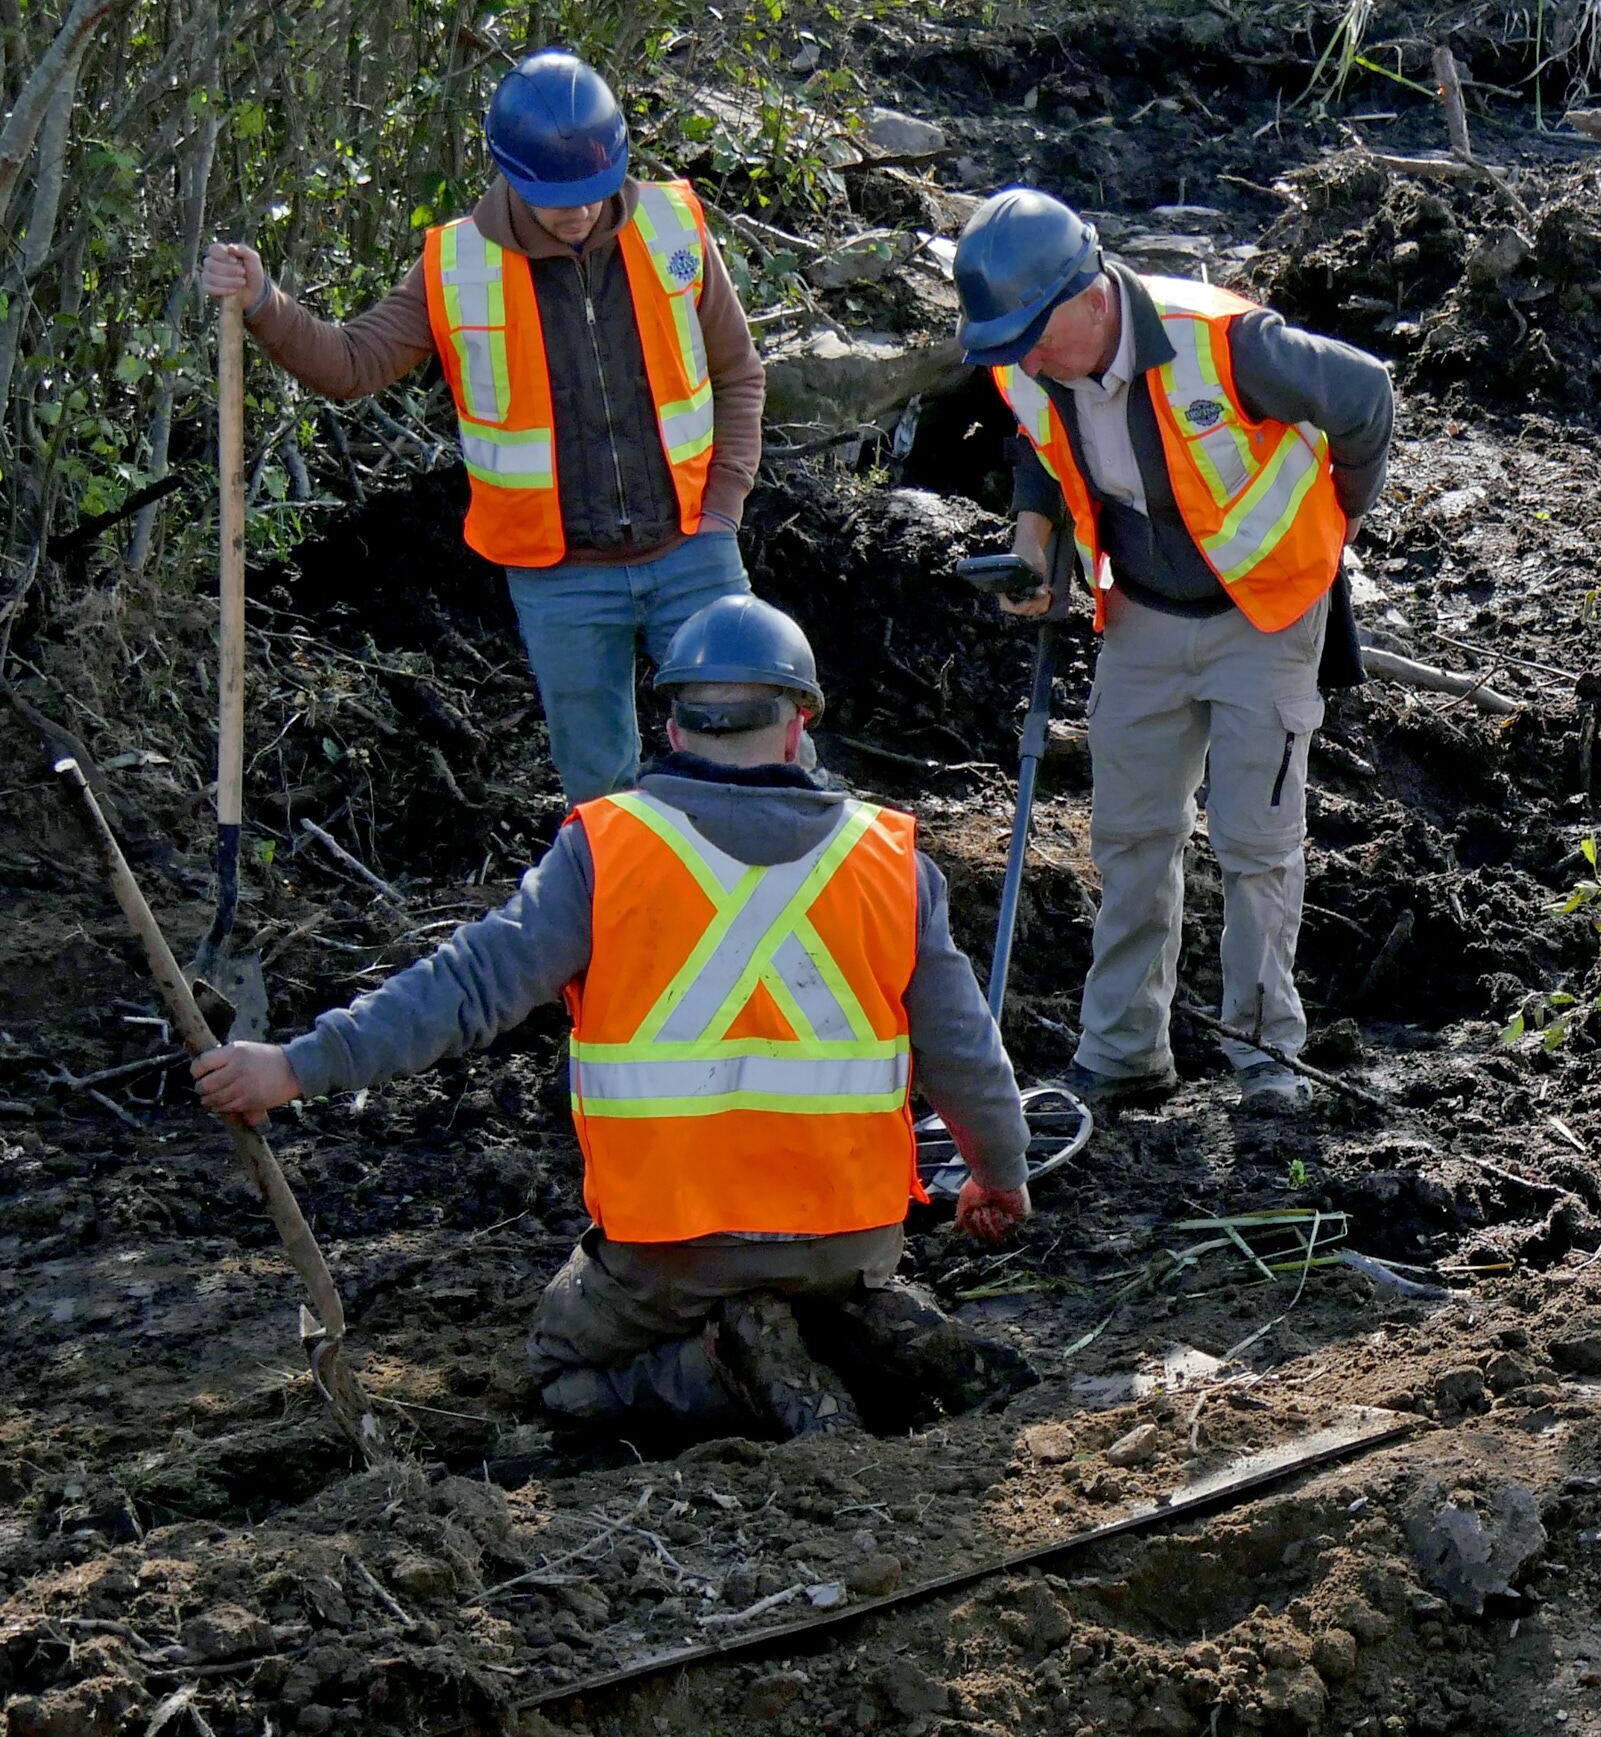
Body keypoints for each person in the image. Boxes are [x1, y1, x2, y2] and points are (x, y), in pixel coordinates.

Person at [191, 597, 1032, 1436]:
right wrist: (999, 1172)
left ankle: (714, 1369)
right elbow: (964, 1050)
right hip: (848, 1243)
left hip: (671, 1258)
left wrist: (298, 1065)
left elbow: (465, 986)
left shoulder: (607, 850)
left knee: (563, 1370)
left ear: (671, 728)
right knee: (831, 1288)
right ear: (797, 725)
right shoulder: (890, 861)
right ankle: (857, 1330)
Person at [198, 49, 763, 805]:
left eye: (593, 192)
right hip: (561, 578)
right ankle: (623, 919)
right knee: (601, 797)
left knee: (751, 764)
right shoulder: (455, 264)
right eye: (558, 197)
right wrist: (267, 302)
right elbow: (352, 363)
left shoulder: (672, 224)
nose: (580, 212)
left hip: (696, 547)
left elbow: (739, 373)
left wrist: (724, 509)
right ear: (509, 174)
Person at [949, 188, 1394, 1106]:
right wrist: (1034, 543)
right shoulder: (1029, 363)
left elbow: (1364, 395)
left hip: (1265, 614)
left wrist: (1338, 520)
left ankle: (1265, 1055)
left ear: (1091, 293)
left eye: (1035, 335)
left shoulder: (1225, 342)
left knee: (1254, 843)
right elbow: (1040, 443)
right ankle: (1119, 1051)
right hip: (1142, 612)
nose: (1024, 358)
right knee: (1131, 834)